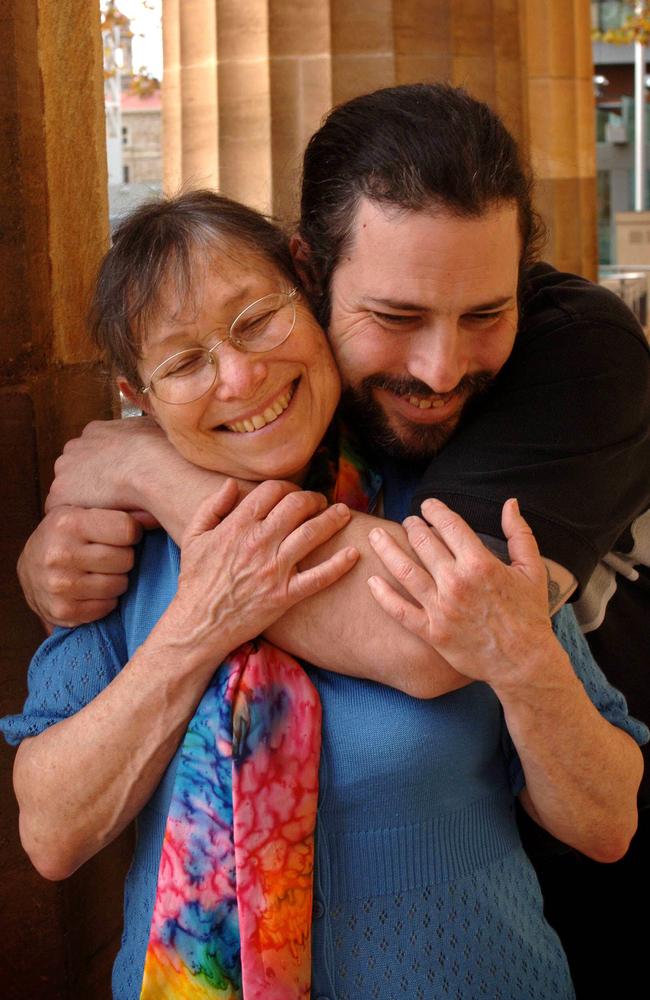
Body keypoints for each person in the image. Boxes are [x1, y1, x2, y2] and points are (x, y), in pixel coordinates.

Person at [14, 84, 650, 995]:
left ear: (296, 297)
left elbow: (603, 814)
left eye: (255, 322)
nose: (240, 376)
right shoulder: (119, 549)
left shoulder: (444, 500)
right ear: (135, 396)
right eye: (187, 362)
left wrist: (153, 474)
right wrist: (194, 621)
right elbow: (51, 831)